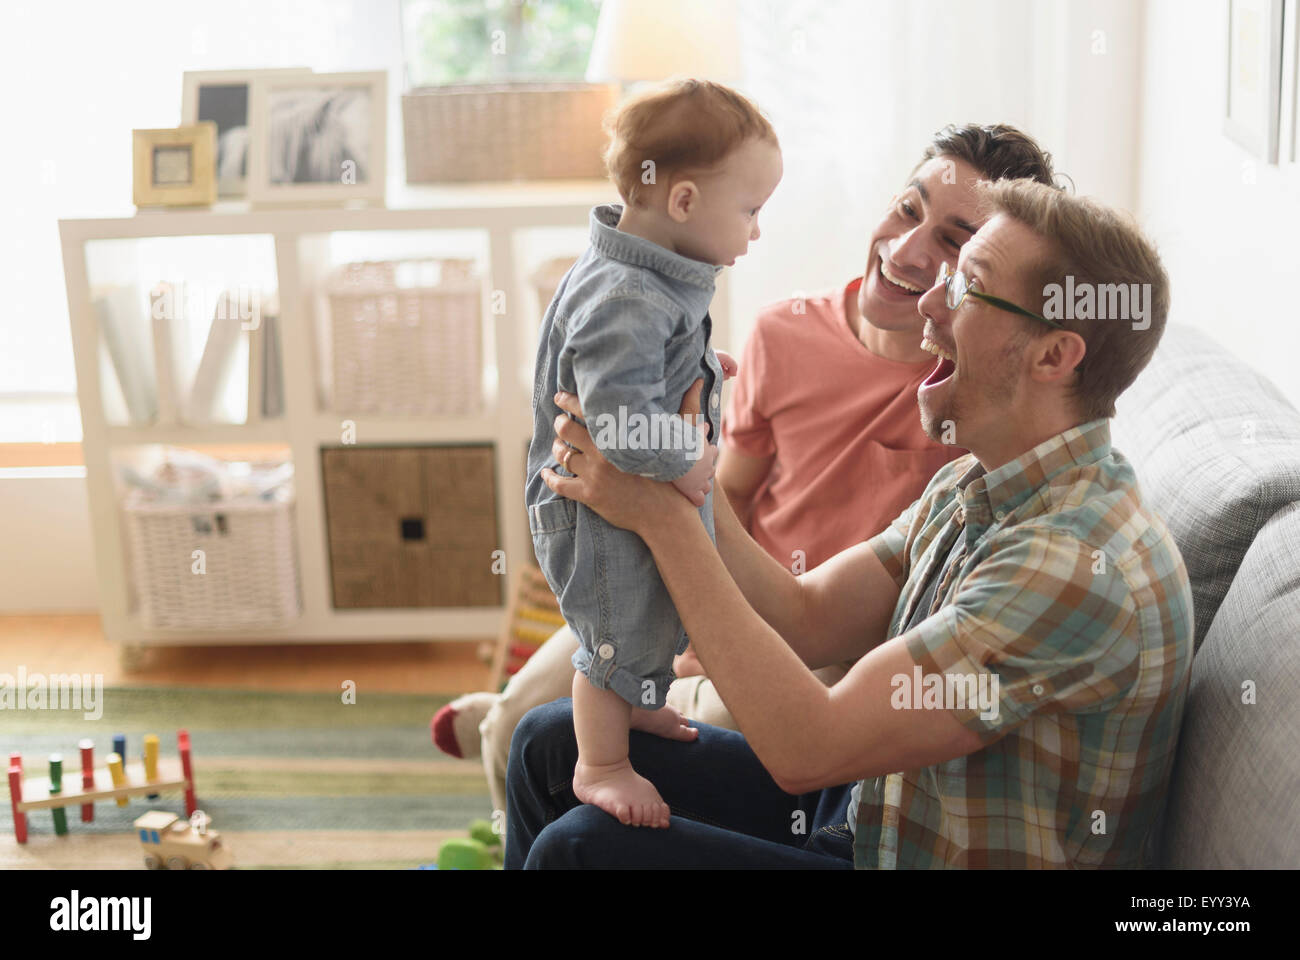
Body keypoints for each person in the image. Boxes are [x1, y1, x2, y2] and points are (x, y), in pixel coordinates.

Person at [506, 177, 1193, 868]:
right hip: (871, 818)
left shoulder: (1070, 565)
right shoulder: (980, 481)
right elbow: (808, 616)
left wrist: (659, 516)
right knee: (548, 745)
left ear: (1053, 355)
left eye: (966, 288)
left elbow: (811, 746)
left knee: (582, 851)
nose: (928, 303)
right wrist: (679, 456)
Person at [432, 123, 1060, 823]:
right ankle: (504, 789)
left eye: (953, 241)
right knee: (518, 721)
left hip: (821, 649)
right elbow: (727, 491)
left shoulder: (968, 401)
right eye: (909, 210)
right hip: (705, 571)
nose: (908, 250)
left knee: (665, 724)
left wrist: (705, 615)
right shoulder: (783, 331)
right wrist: (683, 586)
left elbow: (826, 622)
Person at [524, 78, 782, 827]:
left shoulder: (645, 276)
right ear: (685, 203)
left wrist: (700, 370)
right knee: (615, 631)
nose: (757, 232)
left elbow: (639, 372)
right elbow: (616, 417)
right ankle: (599, 763)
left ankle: (635, 713)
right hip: (594, 515)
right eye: (751, 210)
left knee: (652, 620)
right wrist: (692, 459)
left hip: (616, 502)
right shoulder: (630, 294)